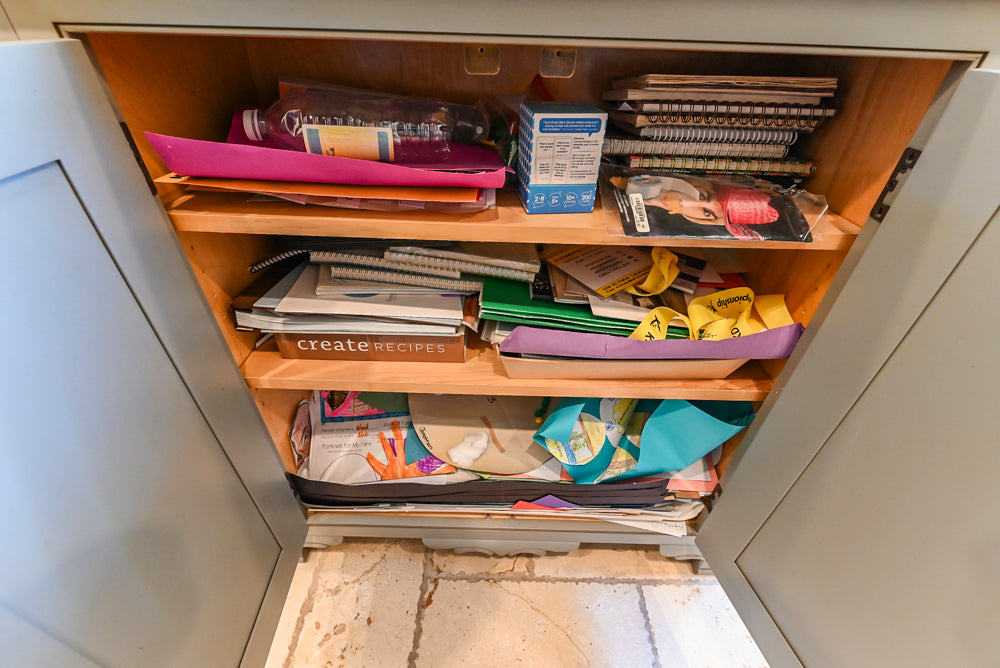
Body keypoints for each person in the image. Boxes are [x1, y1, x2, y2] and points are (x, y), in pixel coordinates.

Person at [611, 172, 794, 240]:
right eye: (703, 196)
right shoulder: (652, 179)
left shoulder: (655, 230)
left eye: (707, 212)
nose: (690, 203)